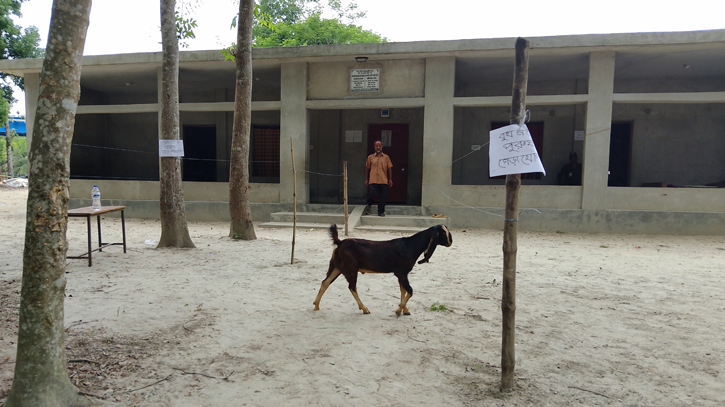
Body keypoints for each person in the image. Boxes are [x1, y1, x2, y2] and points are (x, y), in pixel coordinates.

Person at [364, 140, 393, 217]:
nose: (378, 147)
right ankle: (369, 203)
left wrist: (390, 179)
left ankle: (381, 211)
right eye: (376, 146)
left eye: (379, 146)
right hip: (373, 179)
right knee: (372, 193)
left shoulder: (386, 157)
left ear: (382, 146)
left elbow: (389, 168)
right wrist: (366, 179)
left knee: (383, 197)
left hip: (383, 180)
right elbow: (367, 168)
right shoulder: (370, 157)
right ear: (374, 147)